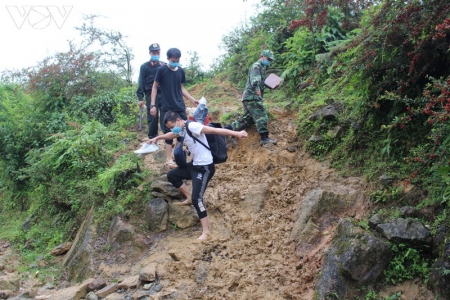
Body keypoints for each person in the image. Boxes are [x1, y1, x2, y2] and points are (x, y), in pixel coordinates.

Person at [147, 111, 248, 240]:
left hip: (205, 168)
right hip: (195, 166)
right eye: (170, 127)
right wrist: (157, 138)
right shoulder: (181, 128)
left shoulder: (192, 126)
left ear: (178, 120)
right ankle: (188, 196)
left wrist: (237, 133)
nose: (173, 129)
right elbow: (172, 134)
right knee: (172, 175)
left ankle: (206, 232)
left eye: (172, 126)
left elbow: (214, 131)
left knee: (197, 199)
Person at [150, 48, 199, 168]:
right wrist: (153, 104)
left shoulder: (181, 71)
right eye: (173, 60)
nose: (175, 62)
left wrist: (192, 100)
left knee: (182, 131)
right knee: (169, 132)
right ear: (167, 59)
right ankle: (168, 158)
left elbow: (181, 88)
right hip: (167, 106)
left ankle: (177, 156)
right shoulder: (161, 70)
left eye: (177, 60)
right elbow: (155, 87)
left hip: (180, 106)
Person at [225, 50, 277, 146]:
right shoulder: (256, 66)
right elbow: (255, 81)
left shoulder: (260, 67)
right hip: (252, 96)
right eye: (268, 59)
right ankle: (264, 138)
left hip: (248, 97)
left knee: (246, 119)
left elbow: (261, 82)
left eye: (270, 60)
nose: (268, 61)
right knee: (261, 116)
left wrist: (272, 85)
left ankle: (225, 131)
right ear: (262, 56)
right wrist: (257, 91)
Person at [136, 43, 165, 139]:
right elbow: (141, 82)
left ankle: (166, 138)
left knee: (165, 115)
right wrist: (140, 98)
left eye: (157, 52)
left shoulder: (164, 65)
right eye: (154, 52)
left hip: (164, 94)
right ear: (150, 53)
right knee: (152, 116)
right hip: (150, 95)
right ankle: (153, 138)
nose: (156, 54)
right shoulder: (144, 67)